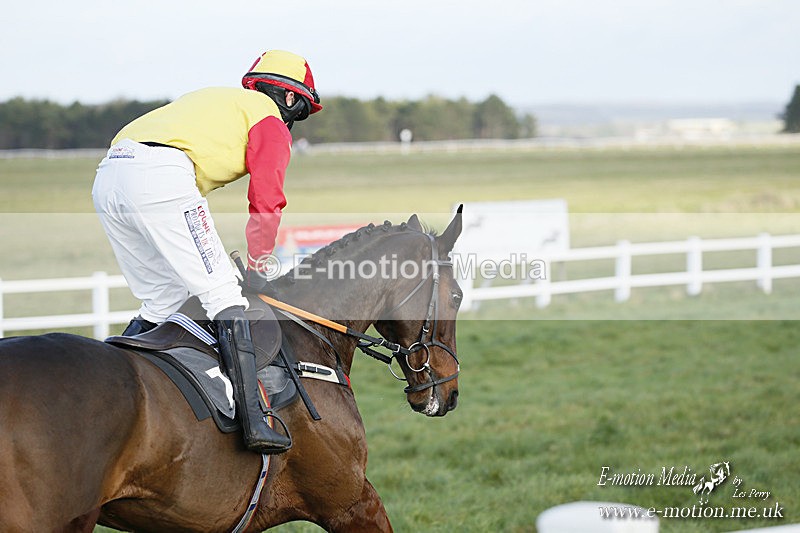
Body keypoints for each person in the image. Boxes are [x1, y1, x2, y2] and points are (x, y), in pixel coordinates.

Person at [92, 50, 322, 454]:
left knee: (161, 300)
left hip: (109, 175)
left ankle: (107, 399)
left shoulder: (219, 99)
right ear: (288, 98)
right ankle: (254, 421)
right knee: (225, 296)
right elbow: (267, 199)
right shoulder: (268, 120)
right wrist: (257, 265)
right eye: (299, 111)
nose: (292, 122)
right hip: (160, 176)